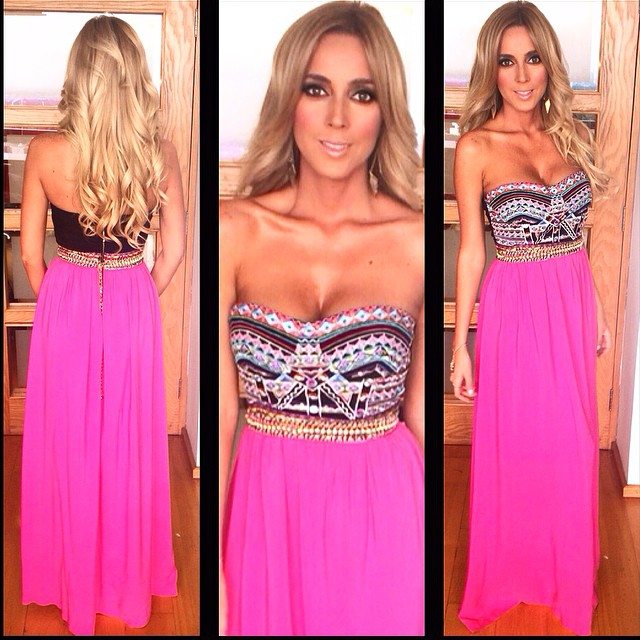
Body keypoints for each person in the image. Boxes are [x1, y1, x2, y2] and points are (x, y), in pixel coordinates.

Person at [219, 1, 424, 635]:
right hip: (265, 520)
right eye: (316, 89)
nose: (337, 117)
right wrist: (214, 567)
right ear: (289, 99)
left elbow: (421, 420)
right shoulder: (234, 230)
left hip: (385, 524)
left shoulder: (417, 241)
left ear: (385, 110)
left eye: (362, 94)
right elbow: (222, 417)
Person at [19, 15, 185, 636]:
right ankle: (122, 573)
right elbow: (173, 252)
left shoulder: (45, 151)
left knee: (68, 435)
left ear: (78, 76)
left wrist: (64, 307)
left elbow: (30, 256)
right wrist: (132, 298)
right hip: (131, 296)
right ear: (134, 76)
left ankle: (67, 571)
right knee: (126, 436)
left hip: (65, 296)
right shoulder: (158, 152)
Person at [449, 1, 611, 635]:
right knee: (517, 443)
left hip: (569, 300)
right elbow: (470, 249)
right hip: (514, 306)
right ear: (491, 69)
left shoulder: (572, 136)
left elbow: (580, 236)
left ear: (550, 62)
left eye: (533, 58)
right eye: (507, 61)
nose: (522, 76)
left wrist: (596, 306)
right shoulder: (476, 146)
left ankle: (565, 574)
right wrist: (460, 345)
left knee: (572, 441)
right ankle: (513, 571)